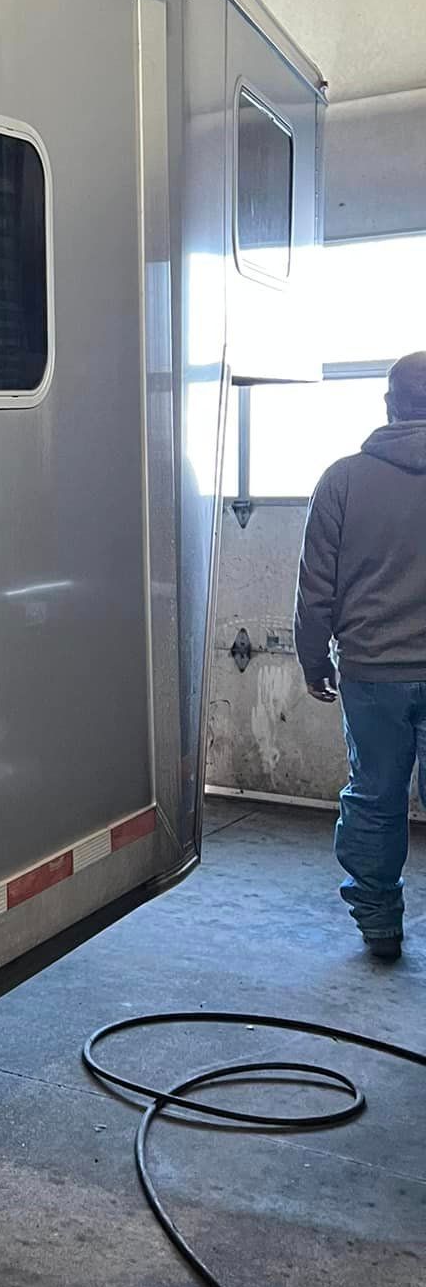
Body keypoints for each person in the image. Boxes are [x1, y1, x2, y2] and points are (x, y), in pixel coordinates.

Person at [295, 351, 426, 960]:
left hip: (373, 672)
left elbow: (316, 585)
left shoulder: (342, 480)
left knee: (375, 796)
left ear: (390, 404)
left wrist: (312, 656)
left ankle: (379, 927)